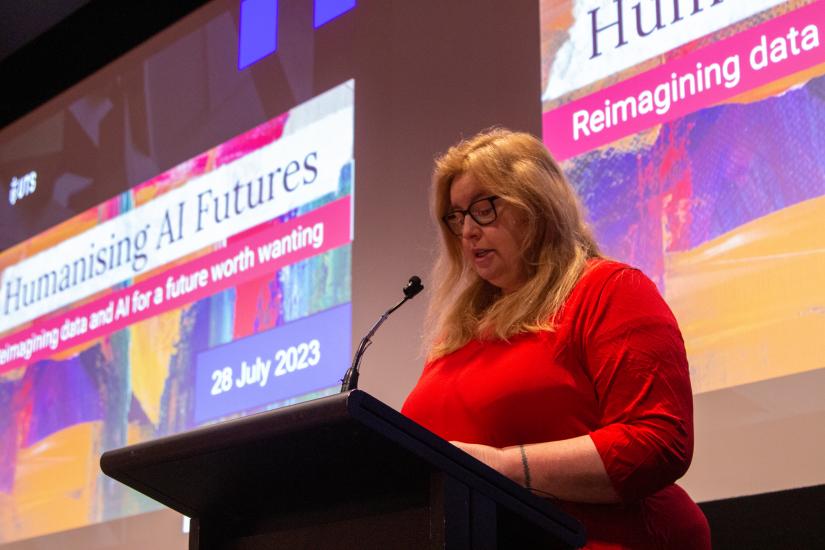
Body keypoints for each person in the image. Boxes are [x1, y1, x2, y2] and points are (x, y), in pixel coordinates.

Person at [401, 129, 711, 549]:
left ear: (535, 203)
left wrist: (500, 467)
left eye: (483, 208)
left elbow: (656, 441)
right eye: (457, 217)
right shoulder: (457, 335)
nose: (468, 231)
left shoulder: (608, 290)